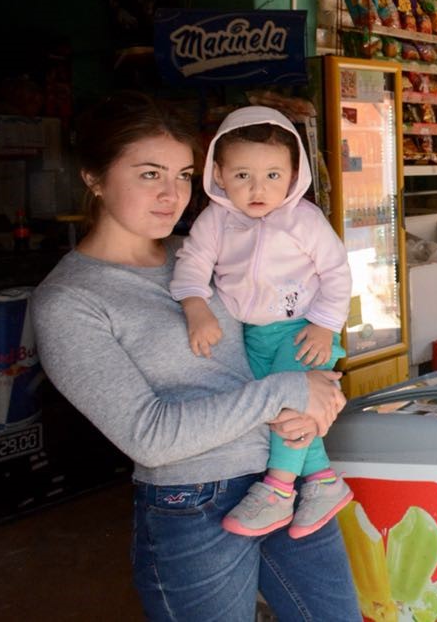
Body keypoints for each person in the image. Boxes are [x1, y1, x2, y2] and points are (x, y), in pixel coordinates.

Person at [32, 92, 360, 621]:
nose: (172, 195)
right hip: (193, 503)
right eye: (149, 175)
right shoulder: (70, 302)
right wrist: (287, 392)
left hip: (287, 476)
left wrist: (320, 381)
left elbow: (284, 323)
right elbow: (150, 436)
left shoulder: (207, 247)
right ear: (93, 176)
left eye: (183, 175)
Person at [170, 106, 354, 539]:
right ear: (218, 173)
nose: (258, 188)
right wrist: (195, 305)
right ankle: (325, 482)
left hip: (304, 331)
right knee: (279, 410)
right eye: (242, 175)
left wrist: (326, 325)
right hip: (253, 336)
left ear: (293, 176)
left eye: (273, 175)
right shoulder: (215, 220)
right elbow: (192, 262)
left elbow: (337, 271)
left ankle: (278, 489)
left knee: (289, 407)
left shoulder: (303, 220)